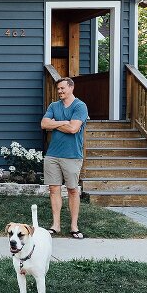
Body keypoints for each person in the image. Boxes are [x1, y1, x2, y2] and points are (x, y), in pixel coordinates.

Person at [40, 77, 88, 239]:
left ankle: (74, 226)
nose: (60, 91)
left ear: (71, 88)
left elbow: (74, 129)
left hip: (72, 155)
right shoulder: (54, 106)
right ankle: (56, 225)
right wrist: (64, 122)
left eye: (62, 88)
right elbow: (44, 124)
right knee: (54, 189)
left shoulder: (80, 106)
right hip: (53, 155)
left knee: (73, 190)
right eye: (58, 89)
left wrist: (55, 123)